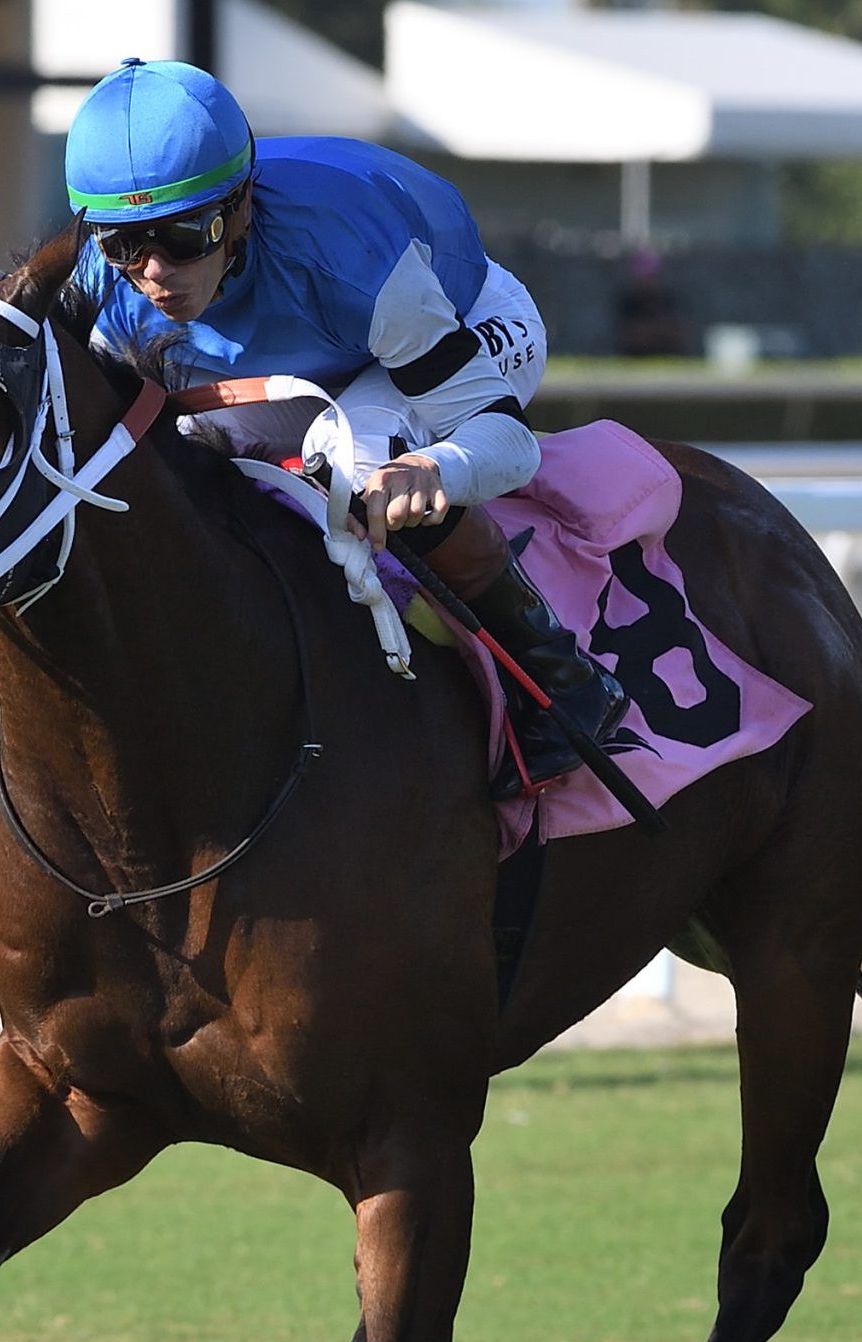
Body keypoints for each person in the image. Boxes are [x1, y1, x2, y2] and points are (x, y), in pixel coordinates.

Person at [64, 58, 624, 797]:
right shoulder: (107, 280)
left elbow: (507, 441)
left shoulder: (344, 256)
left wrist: (434, 472)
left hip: (461, 321)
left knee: (354, 460)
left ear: (240, 208)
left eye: (183, 236)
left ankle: (563, 675)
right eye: (125, 244)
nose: (154, 273)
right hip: (310, 365)